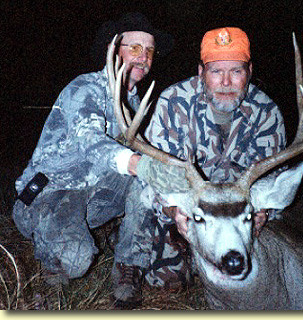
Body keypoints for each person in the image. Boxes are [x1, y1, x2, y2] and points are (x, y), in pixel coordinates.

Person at [12, 12, 176, 309]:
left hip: (94, 196)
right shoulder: (85, 88)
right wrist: (139, 164)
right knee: (75, 261)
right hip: (51, 193)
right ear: (113, 50)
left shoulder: (135, 103)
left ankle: (128, 269)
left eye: (149, 50)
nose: (144, 57)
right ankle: (50, 254)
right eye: (135, 48)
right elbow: (90, 141)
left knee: (149, 185)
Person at [144, 27, 287, 238]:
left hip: (239, 218)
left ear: (249, 71)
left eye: (236, 71)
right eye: (216, 71)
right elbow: (153, 176)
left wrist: (263, 211)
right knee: (168, 265)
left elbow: (272, 182)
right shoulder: (174, 103)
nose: (226, 82)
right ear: (201, 72)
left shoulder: (267, 114)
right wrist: (175, 211)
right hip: (189, 212)